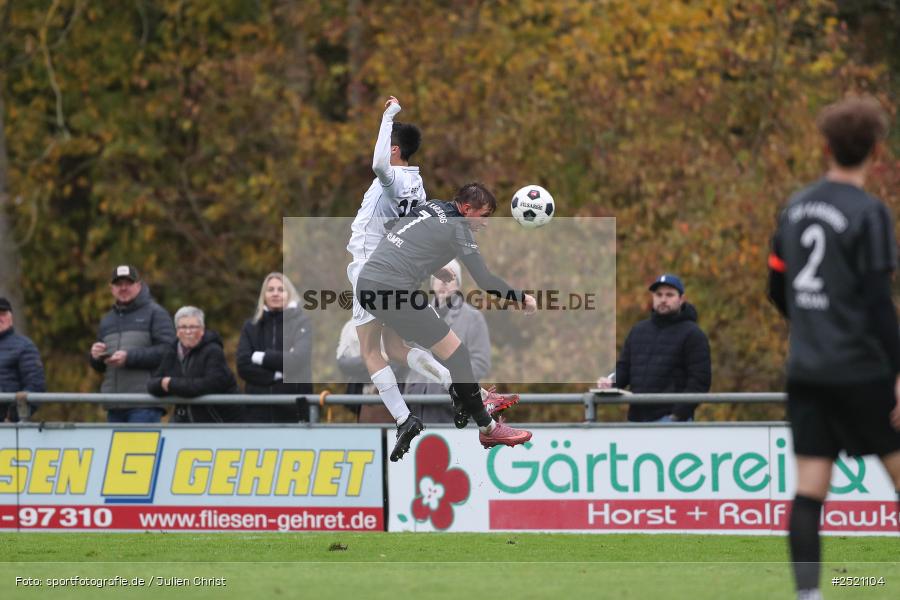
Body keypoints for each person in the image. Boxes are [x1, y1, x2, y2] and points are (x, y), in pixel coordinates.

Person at [767, 96, 900, 600]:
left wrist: (811, 326)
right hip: (862, 370)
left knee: (809, 490)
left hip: (807, 370)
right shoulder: (869, 213)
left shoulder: (794, 208)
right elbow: (878, 303)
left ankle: (809, 594)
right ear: (876, 152)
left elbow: (777, 287)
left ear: (825, 147)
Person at [346, 95, 514, 434]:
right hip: (397, 269)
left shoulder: (392, 177)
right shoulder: (417, 185)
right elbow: (413, 231)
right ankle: (466, 391)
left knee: (370, 351)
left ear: (394, 149)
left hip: (370, 268)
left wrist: (388, 117)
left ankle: (405, 417)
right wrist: (434, 267)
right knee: (396, 348)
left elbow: (378, 165)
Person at [356, 182, 537, 461]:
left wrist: (435, 267)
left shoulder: (432, 206)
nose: (485, 223)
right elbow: (485, 280)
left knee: (393, 349)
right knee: (458, 355)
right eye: (484, 216)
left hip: (367, 284)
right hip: (395, 290)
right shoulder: (458, 227)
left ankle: (444, 401)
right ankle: (487, 426)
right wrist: (521, 298)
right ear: (466, 209)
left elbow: (396, 229)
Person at [405, 259, 511, 423]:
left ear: (459, 285)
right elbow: (404, 354)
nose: (443, 282)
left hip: (453, 406)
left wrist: (452, 386)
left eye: (449, 278)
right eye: (439, 278)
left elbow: (481, 363)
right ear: (432, 283)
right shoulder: (417, 315)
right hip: (416, 402)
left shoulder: (473, 318)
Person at [596, 274, 711, 422]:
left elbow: (699, 381)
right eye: (659, 294)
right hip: (636, 420)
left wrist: (678, 415)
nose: (663, 299)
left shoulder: (693, 334)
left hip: (672, 421)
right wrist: (610, 382)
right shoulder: (638, 331)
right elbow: (624, 368)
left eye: (669, 295)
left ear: (681, 299)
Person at [89, 265, 176, 423]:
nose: (123, 288)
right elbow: (100, 368)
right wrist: (95, 357)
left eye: (128, 283)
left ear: (139, 285)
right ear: (111, 288)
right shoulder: (107, 320)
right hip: (114, 406)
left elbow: (168, 352)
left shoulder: (156, 313)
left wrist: (129, 358)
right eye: (118, 284)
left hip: (145, 404)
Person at [236, 273, 313, 422]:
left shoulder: (302, 323)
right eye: (270, 289)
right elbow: (243, 365)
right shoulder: (251, 326)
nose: (275, 293)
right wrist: (276, 375)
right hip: (258, 411)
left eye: (281, 289)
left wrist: (262, 357)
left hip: (294, 411)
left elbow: (298, 360)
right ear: (264, 295)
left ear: (289, 294)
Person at [148, 306, 241, 423]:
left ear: (202, 330)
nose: (188, 332)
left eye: (193, 327)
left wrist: (170, 384)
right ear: (177, 331)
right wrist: (163, 383)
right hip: (183, 420)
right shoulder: (171, 351)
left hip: (217, 421)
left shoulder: (213, 351)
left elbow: (210, 385)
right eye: (183, 327)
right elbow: (152, 385)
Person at [0, 297, 45, 421]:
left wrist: (11, 417)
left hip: (8, 426)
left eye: (2, 314)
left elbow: (35, 387)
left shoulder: (24, 347)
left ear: (11, 318)